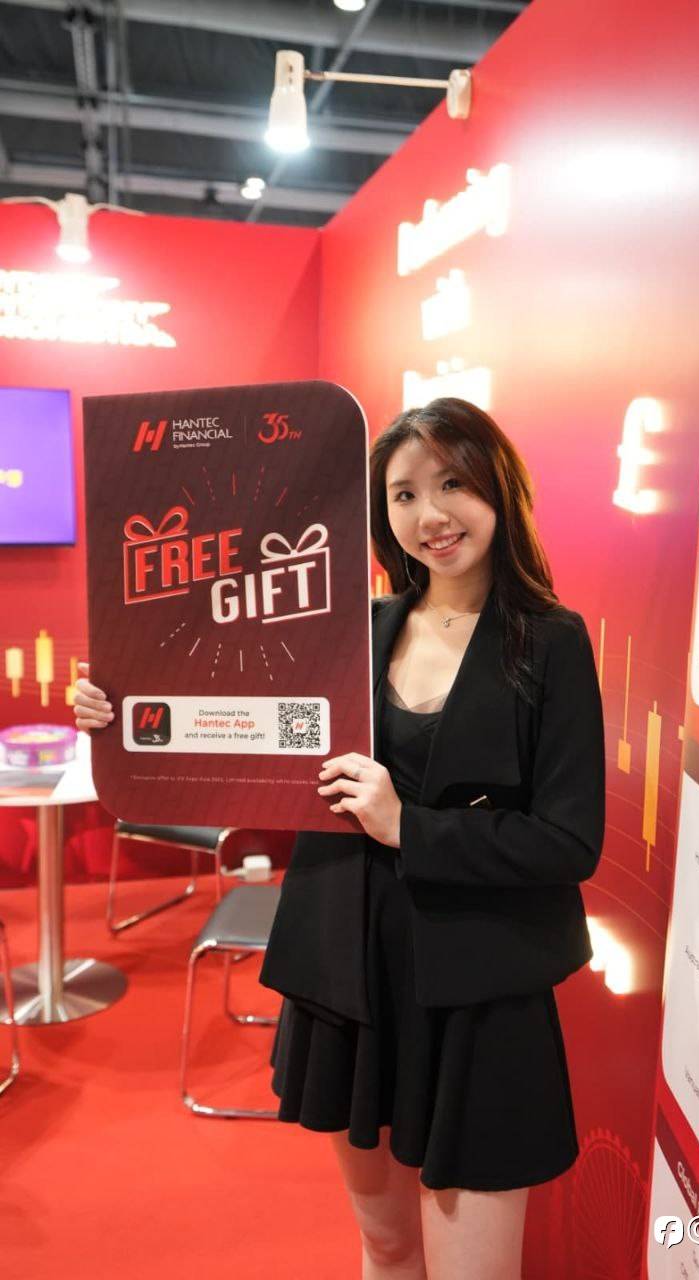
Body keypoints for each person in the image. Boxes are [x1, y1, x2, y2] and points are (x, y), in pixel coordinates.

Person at [74, 397, 606, 1280]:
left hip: (479, 990)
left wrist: (410, 828)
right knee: (385, 1245)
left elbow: (567, 841)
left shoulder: (549, 641)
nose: (431, 515)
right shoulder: (349, 628)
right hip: (348, 970)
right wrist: (120, 713)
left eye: (453, 484)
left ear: (497, 489)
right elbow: (223, 724)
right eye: (404, 495)